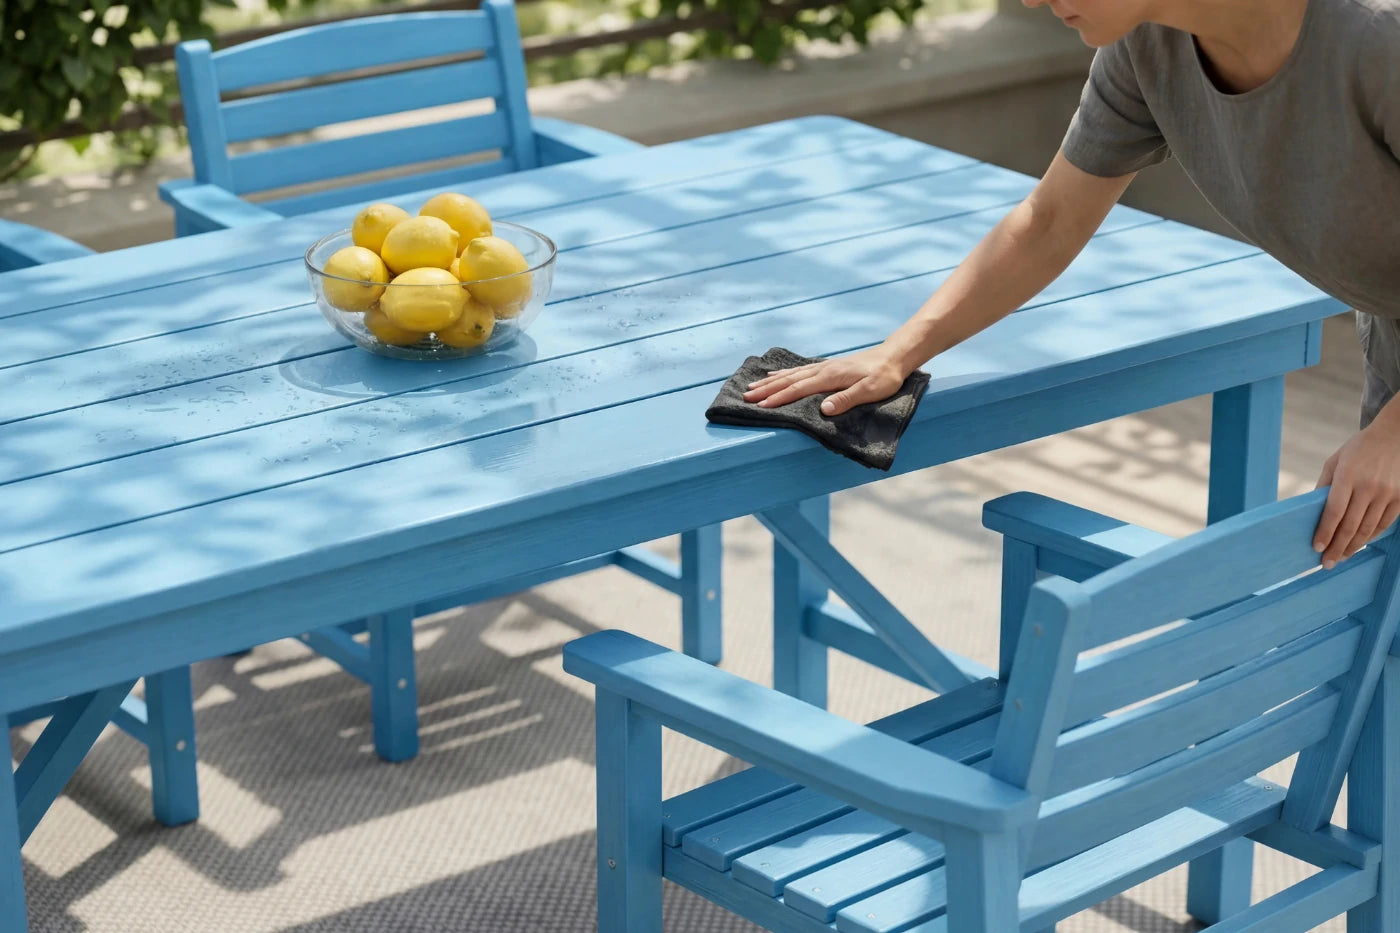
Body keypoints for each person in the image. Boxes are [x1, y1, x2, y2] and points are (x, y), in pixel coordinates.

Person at [744, 0, 1400, 570]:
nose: (1029, 0)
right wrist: (898, 351)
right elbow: (1049, 222)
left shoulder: (1378, 38)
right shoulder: (1147, 48)